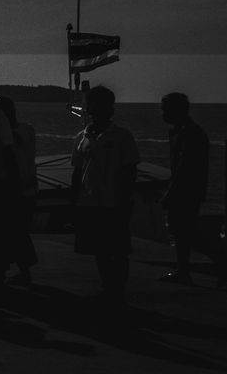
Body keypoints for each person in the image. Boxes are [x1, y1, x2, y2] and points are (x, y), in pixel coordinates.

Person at [70, 85, 140, 305]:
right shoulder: (82, 137)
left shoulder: (122, 137)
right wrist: (74, 200)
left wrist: (124, 198)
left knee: (117, 250)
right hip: (89, 201)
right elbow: (78, 170)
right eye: (94, 104)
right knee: (99, 249)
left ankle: (117, 290)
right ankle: (108, 287)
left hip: (114, 201)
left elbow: (130, 170)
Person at [158, 92, 227, 286]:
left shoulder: (190, 133)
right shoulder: (179, 131)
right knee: (181, 231)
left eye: (166, 109)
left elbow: (185, 168)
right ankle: (184, 270)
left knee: (187, 233)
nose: (163, 113)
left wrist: (170, 193)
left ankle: (221, 262)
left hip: (187, 191)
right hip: (187, 190)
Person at [0, 97, 38, 286]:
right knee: (9, 231)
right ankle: (11, 270)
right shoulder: (24, 130)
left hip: (22, 189)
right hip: (16, 188)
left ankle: (21, 271)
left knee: (17, 231)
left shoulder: (23, 131)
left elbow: (12, 140)